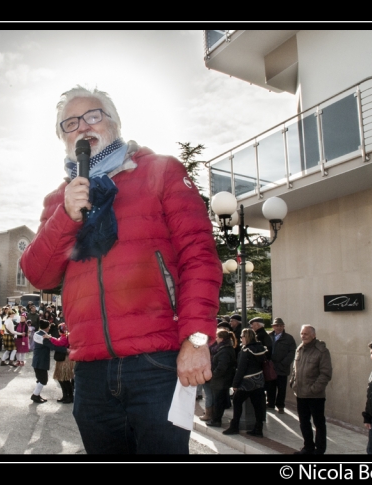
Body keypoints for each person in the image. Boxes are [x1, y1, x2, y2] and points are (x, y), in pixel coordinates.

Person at [19, 86, 221, 454]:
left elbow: (200, 258)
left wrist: (197, 339)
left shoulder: (161, 170)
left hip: (157, 364)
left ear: (114, 122)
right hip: (91, 370)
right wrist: (65, 216)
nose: (83, 127)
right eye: (71, 122)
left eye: (93, 115)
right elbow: (39, 274)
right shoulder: (58, 200)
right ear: (63, 136)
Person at [290, 325, 333, 455]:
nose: (303, 336)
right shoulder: (300, 348)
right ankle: (308, 447)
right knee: (304, 422)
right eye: (302, 333)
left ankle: (319, 450)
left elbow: (326, 373)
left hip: (315, 395)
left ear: (313, 335)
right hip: (300, 393)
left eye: (306, 334)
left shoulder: (321, 351)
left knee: (318, 424)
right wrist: (293, 382)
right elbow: (295, 369)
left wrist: (314, 389)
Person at [222, 328, 268, 437]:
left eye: (242, 337)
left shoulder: (246, 350)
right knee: (258, 405)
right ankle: (258, 428)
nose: (240, 338)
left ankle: (234, 426)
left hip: (247, 381)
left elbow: (241, 369)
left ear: (246, 337)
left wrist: (235, 384)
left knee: (237, 402)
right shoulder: (260, 348)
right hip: (259, 380)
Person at [201, 329, 237, 427]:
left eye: (217, 337)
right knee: (218, 400)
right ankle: (215, 419)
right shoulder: (224, 348)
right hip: (221, 380)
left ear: (221, 339)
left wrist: (213, 375)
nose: (215, 339)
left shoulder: (224, 350)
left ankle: (216, 420)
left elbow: (222, 367)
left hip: (221, 380)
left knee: (218, 401)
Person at [31, 319, 68, 404]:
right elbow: (53, 347)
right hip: (41, 361)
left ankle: (37, 394)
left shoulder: (37, 333)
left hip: (37, 360)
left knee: (40, 378)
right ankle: (35, 395)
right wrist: (66, 350)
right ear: (47, 327)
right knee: (43, 380)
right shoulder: (44, 337)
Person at [266, 317, 296, 414]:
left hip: (282, 367)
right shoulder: (269, 336)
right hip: (271, 367)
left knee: (281, 388)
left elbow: (292, 352)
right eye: (276, 326)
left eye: (280, 326)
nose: (278, 328)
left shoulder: (289, 338)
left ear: (283, 327)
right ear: (273, 327)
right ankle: (270, 403)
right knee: (271, 387)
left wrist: (284, 363)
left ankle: (280, 405)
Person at [44, 323, 75, 403]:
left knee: (64, 379)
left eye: (59, 329)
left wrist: (50, 337)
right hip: (62, 360)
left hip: (64, 360)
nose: (58, 331)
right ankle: (65, 396)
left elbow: (59, 343)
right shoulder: (63, 336)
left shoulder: (65, 337)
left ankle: (70, 397)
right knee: (61, 379)